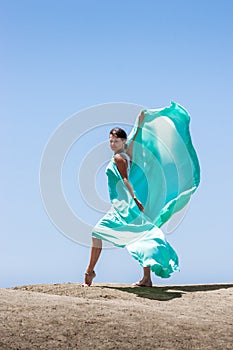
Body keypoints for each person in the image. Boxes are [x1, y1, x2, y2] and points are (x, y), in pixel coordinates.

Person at [82, 102, 200, 287]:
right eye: (110, 141)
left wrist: (135, 197)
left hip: (123, 206)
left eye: (115, 141)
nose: (112, 144)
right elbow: (135, 137)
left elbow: (126, 179)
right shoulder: (128, 152)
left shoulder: (119, 158)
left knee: (98, 232)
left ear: (122, 141)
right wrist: (140, 120)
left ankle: (90, 270)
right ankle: (146, 278)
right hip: (125, 204)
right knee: (141, 235)